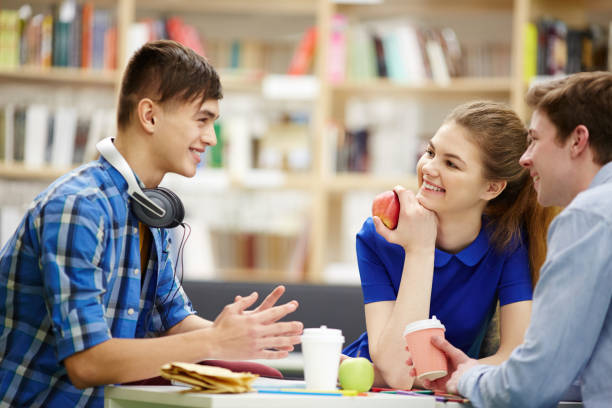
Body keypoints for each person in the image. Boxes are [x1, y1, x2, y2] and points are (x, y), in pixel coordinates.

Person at [0, 40, 303, 407]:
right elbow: (88, 362)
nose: (211, 138)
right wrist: (215, 340)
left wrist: (254, 337)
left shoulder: (150, 210)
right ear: (150, 116)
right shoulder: (78, 207)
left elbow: (175, 319)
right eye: (202, 120)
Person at [423, 71, 612, 407]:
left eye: (535, 140)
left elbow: (531, 386)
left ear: (577, 140)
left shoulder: (589, 218)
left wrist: (469, 377)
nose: (526, 159)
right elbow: (576, 373)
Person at [343, 101, 557, 389]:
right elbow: (397, 372)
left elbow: (515, 359)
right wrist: (419, 249)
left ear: (491, 187)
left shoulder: (507, 242)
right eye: (431, 152)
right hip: (370, 390)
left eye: (451, 163)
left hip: (449, 392)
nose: (429, 168)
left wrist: (451, 378)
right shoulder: (379, 234)